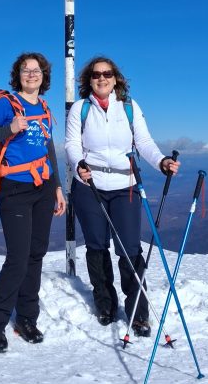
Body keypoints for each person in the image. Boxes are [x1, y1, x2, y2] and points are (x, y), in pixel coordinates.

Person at [65, 56, 179, 335]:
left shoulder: (129, 107)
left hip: (124, 184)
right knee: (96, 246)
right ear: (89, 80)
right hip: (89, 184)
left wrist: (161, 161)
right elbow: (72, 144)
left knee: (129, 248)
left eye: (107, 74)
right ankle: (105, 304)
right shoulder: (80, 108)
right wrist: (79, 165)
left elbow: (143, 141)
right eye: (96, 74)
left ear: (115, 78)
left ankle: (138, 312)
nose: (101, 78)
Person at [0, 51, 66, 353]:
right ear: (18, 75)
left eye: (36, 70)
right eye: (26, 70)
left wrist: (57, 187)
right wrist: (10, 129)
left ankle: (27, 319)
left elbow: (48, 149)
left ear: (44, 75)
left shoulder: (44, 107)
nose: (31, 74)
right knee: (18, 258)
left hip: (43, 187)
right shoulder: (7, 104)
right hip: (15, 188)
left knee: (36, 254)